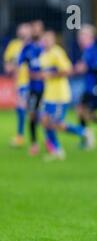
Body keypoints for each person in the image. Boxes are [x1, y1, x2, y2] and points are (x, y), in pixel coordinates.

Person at [39, 31, 93, 161]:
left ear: (53, 41)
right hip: (48, 95)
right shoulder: (42, 55)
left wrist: (51, 75)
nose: (46, 42)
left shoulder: (57, 53)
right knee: (45, 121)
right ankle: (56, 150)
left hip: (60, 95)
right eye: (44, 40)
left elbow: (68, 70)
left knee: (56, 124)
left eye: (48, 39)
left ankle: (83, 132)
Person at [18, 20, 45, 155]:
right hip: (34, 88)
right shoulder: (27, 48)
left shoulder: (46, 47)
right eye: (33, 28)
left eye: (37, 28)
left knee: (48, 117)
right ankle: (34, 144)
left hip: (49, 88)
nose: (35, 31)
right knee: (32, 115)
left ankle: (51, 142)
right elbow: (19, 63)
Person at [3, 23, 31, 147]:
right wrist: (11, 67)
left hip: (33, 83)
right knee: (21, 110)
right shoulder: (14, 45)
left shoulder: (34, 46)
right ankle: (21, 137)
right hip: (20, 83)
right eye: (20, 31)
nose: (22, 33)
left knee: (35, 112)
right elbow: (7, 65)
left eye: (25, 31)